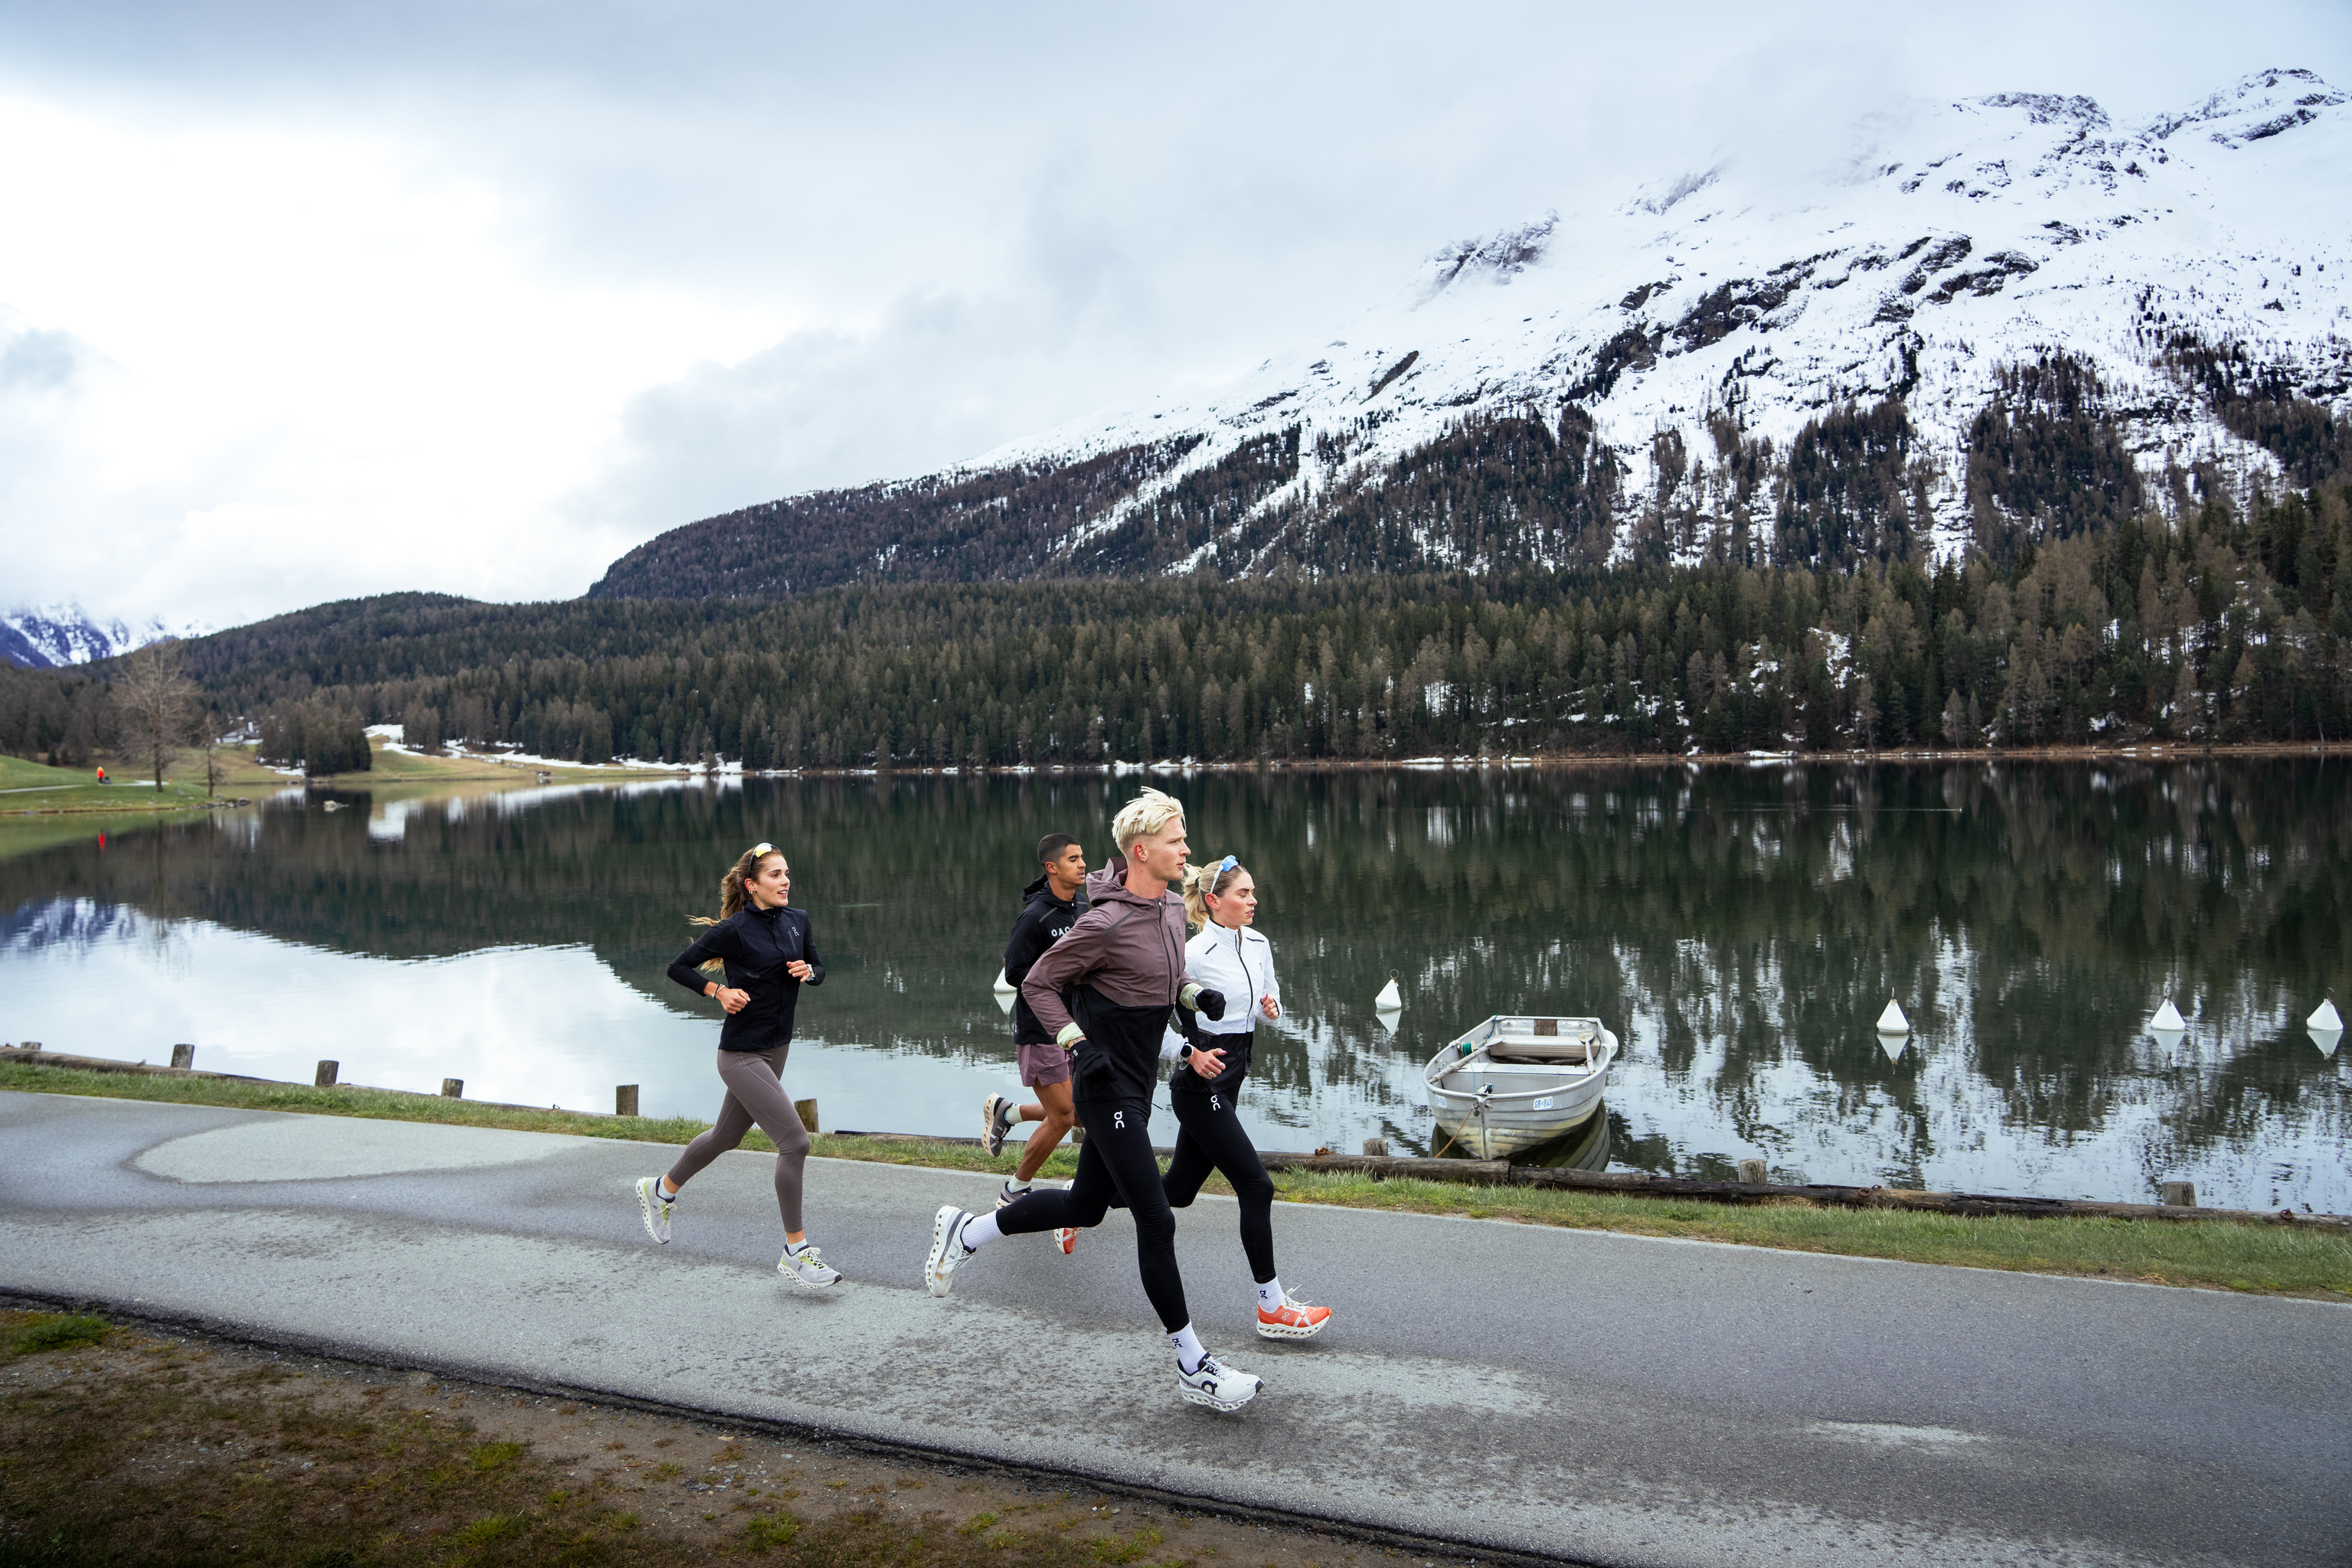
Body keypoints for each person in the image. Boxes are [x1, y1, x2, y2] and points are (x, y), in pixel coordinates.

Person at [923, 787, 1263, 1412]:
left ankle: (967, 1231)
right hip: (1104, 1085)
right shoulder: (1102, 922)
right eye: (1176, 841)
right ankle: (1194, 1364)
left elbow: (1163, 975)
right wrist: (1078, 1043)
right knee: (1157, 1218)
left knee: (1087, 1204)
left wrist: (1193, 999)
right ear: (1142, 850)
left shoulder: (1165, 909)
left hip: (1138, 1079)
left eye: (1184, 839)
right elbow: (1037, 983)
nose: (1187, 849)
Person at [634, 841, 840, 1288]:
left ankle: (660, 1190)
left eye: (787, 873)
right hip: (741, 1054)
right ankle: (796, 1251)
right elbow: (679, 967)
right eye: (775, 875)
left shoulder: (797, 922)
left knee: (726, 1136)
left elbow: (820, 966)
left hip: (777, 1048)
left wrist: (811, 972)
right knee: (795, 1143)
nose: (785, 881)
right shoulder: (734, 930)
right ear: (752, 885)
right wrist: (717, 992)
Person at [1163, 854, 1331, 1341]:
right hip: (1200, 1082)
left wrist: (1271, 1008)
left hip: (1235, 1073)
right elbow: (1160, 1020)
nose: (1254, 901)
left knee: (1178, 1192)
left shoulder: (1258, 943)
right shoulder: (1192, 955)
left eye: (1254, 892)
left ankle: (1078, 1199)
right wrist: (1191, 1053)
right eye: (1243, 894)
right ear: (1214, 902)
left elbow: (1267, 1000)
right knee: (1257, 1187)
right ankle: (1271, 1307)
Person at [982, 834, 1088, 1243]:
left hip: (1076, 1029)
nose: (1082, 865)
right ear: (1052, 867)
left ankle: (1007, 1113)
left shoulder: (1081, 907)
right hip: (1041, 1030)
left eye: (1082, 858)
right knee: (1065, 1116)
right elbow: (1013, 974)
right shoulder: (1037, 917)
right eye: (1073, 859)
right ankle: (1014, 1191)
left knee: (1081, 1112)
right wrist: (1057, 977)